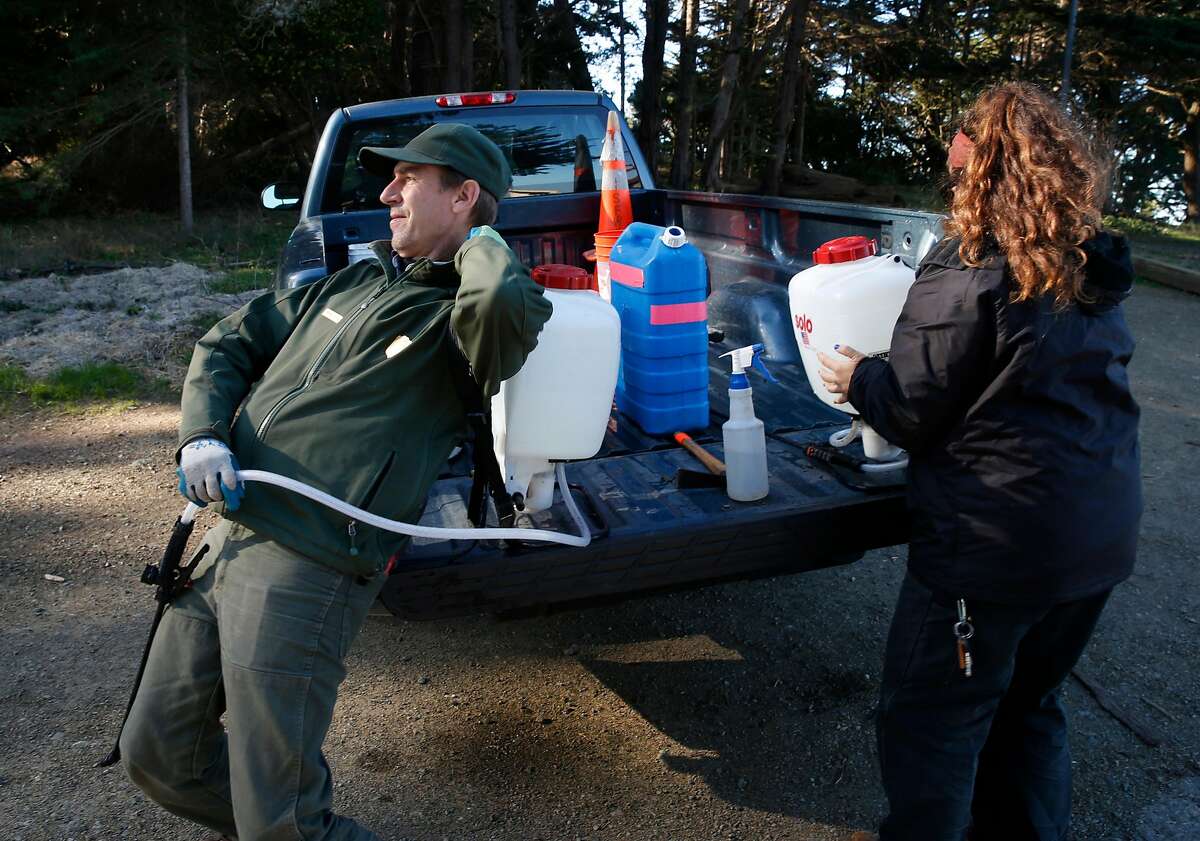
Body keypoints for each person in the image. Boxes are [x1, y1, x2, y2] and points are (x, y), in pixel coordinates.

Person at [118, 123, 552, 841]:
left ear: (464, 194)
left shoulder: (468, 312)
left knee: (282, 822)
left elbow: (500, 307)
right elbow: (229, 341)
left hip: (306, 562)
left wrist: (481, 239)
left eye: (408, 178)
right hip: (226, 534)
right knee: (159, 753)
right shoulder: (356, 279)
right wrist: (201, 432)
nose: (386, 193)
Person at [820, 83, 1141, 841]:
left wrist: (857, 375)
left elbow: (907, 405)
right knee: (1029, 707)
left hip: (995, 548)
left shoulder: (974, 262)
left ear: (980, 165)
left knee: (934, 721)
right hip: (1097, 541)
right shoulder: (1087, 264)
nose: (950, 176)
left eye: (958, 164)